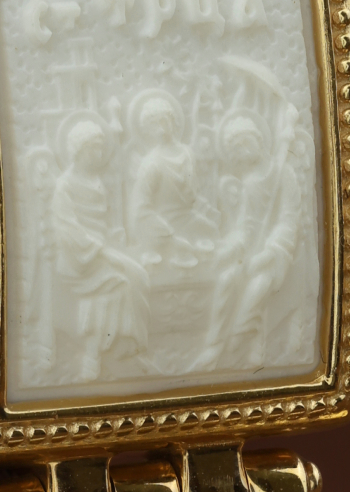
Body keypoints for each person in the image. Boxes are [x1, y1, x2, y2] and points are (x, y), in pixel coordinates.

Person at [199, 109, 307, 373]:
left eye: (245, 141)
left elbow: (289, 219)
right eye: (236, 147)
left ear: (259, 139)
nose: (243, 149)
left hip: (280, 251)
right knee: (227, 279)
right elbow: (245, 226)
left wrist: (270, 252)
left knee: (257, 286)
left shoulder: (283, 174)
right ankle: (213, 346)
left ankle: (241, 340)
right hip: (252, 249)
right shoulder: (249, 183)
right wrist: (232, 247)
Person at [47, 114, 148, 384]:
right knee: (121, 283)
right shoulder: (65, 186)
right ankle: (93, 356)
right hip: (78, 260)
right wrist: (103, 251)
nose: (99, 154)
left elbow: (102, 223)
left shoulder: (96, 181)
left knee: (139, 275)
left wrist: (114, 240)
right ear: (79, 150)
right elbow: (68, 230)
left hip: (99, 252)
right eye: (94, 148)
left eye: (101, 148)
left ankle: (129, 347)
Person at [126, 88, 215, 272]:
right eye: (152, 124)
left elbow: (194, 194)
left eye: (162, 120)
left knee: (212, 231)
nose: (159, 127)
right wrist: (169, 237)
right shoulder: (151, 163)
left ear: (172, 120)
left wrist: (206, 208)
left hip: (190, 219)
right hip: (164, 226)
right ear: (146, 131)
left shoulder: (188, 153)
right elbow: (140, 210)